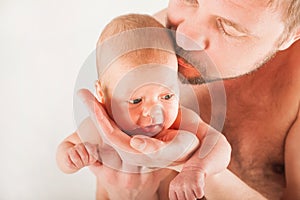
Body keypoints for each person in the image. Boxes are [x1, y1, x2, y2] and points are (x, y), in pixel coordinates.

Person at [60, 0, 300, 199]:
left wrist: (194, 164)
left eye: (228, 27)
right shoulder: (144, 42)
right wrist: (125, 190)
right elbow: (108, 178)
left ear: (292, 33)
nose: (183, 38)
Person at [56, 14, 231, 200]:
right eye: (136, 101)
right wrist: (72, 157)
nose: (154, 112)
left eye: (166, 96)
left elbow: (220, 145)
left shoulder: (179, 122)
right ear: (102, 94)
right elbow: (64, 152)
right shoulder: (98, 127)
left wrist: (196, 169)